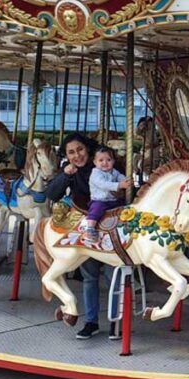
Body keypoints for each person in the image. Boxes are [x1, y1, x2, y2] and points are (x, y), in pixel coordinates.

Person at [46, 133, 115, 341]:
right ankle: (91, 321)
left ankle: (116, 321)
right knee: (89, 276)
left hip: (108, 223)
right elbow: (51, 194)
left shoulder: (103, 163)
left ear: (88, 148)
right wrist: (66, 174)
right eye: (71, 152)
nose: (77, 155)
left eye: (80, 149)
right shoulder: (71, 170)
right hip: (86, 228)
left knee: (114, 276)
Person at [81, 146, 132, 247]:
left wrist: (126, 180)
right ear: (95, 162)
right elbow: (103, 184)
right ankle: (90, 229)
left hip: (113, 200)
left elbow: (120, 176)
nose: (105, 163)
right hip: (100, 200)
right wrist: (119, 185)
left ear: (113, 161)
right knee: (96, 209)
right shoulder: (95, 173)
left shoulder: (113, 171)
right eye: (101, 160)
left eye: (108, 160)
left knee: (126, 207)